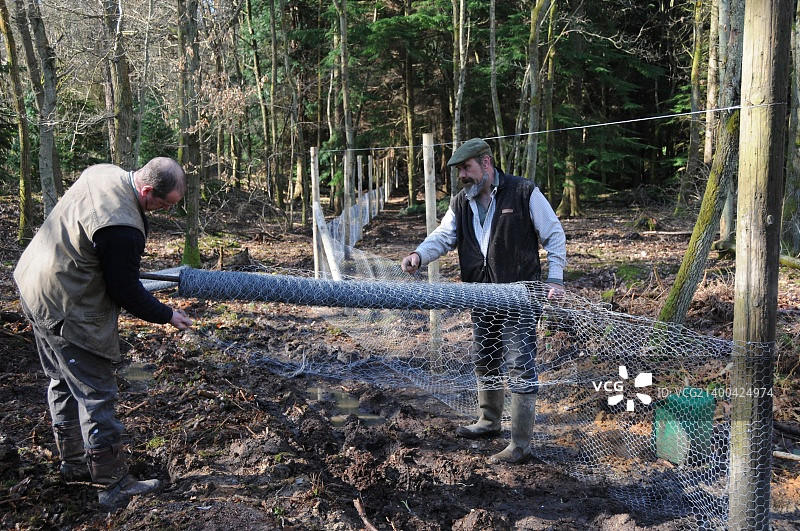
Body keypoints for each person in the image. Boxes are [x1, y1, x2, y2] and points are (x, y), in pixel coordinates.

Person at [13, 157, 194, 509]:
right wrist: (167, 314)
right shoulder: (122, 229)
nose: (162, 211)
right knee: (97, 393)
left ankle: (74, 463)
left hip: (34, 284)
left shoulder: (104, 172)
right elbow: (125, 289)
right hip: (67, 306)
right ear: (145, 189)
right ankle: (112, 483)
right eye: (162, 204)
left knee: (62, 381)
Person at [401, 138, 566, 465]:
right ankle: (488, 421)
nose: (462, 175)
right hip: (481, 293)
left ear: (486, 163)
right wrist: (419, 254)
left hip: (521, 294)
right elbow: (444, 236)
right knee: (485, 357)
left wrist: (556, 277)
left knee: (520, 363)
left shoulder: (523, 192)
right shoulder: (462, 202)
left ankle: (520, 443)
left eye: (467, 168)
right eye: (460, 170)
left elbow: (554, 234)